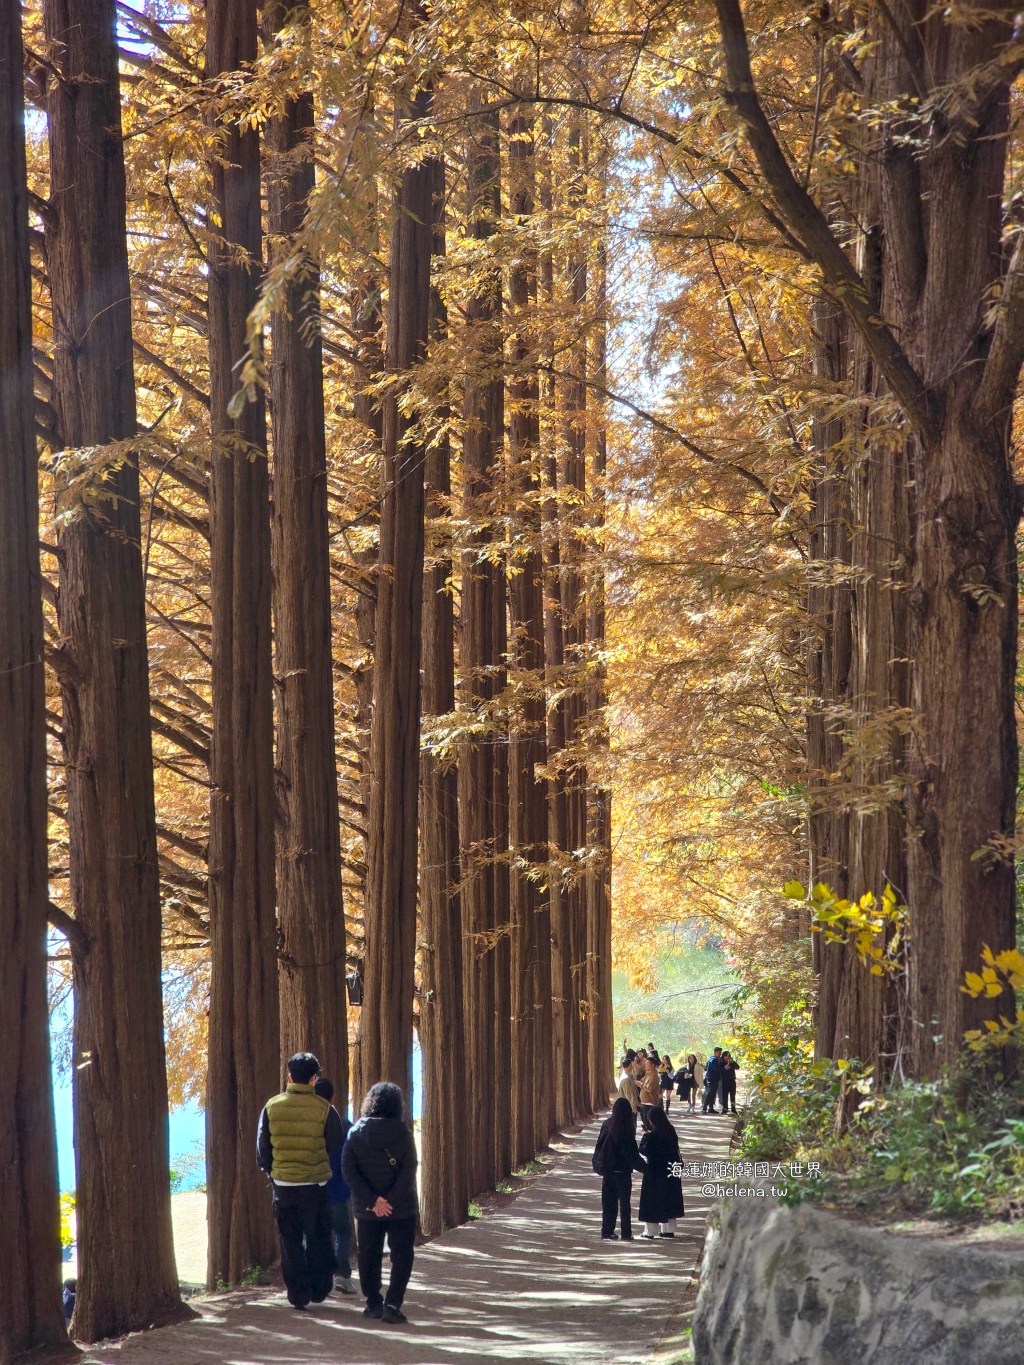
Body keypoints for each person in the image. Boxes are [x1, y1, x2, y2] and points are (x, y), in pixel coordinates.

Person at [257, 1051, 344, 1310]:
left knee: (289, 1240)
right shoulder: (325, 1109)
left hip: (283, 1187)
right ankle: (319, 1287)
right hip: (314, 1186)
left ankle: (298, 1293)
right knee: (318, 1237)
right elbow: (334, 1142)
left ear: (290, 1076)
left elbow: (262, 1149)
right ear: (314, 1078)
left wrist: (273, 1171)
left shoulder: (271, 1106)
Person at [341, 1081, 419, 1325]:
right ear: (397, 1105)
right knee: (402, 1255)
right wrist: (390, 1201)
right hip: (401, 1207)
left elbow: (348, 1170)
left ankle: (373, 1302)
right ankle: (393, 1304)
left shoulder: (355, 1133)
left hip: (367, 1210)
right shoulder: (404, 1133)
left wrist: (373, 1201)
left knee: (369, 1255)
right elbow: (409, 1171)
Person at [313, 1077, 356, 1295]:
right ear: (333, 1097)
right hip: (338, 1190)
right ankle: (342, 1275)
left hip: (313, 1189)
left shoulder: (309, 1124)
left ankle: (316, 1276)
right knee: (342, 1232)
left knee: (314, 1233)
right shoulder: (344, 1124)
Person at [592, 1096, 646, 1240]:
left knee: (608, 1203)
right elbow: (632, 1154)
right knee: (624, 1204)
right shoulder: (627, 1128)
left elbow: (599, 1146)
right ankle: (626, 1234)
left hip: (608, 1171)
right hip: (622, 1172)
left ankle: (607, 1231)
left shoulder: (607, 1124)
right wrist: (646, 1168)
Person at [638, 1105, 685, 1238]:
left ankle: (650, 1232)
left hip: (655, 1172)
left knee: (652, 1201)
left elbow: (643, 1150)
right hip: (671, 1171)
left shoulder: (653, 1136)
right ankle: (668, 1230)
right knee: (670, 1199)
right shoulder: (670, 1130)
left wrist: (645, 1136)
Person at [638, 1053, 661, 1130]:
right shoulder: (647, 1074)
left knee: (650, 1125)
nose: (645, 1065)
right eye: (645, 1063)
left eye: (647, 1064)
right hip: (644, 1103)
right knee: (645, 1124)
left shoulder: (654, 1076)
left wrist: (640, 1084)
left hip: (650, 1104)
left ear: (653, 1065)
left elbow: (649, 1088)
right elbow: (642, 1081)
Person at [617, 1053, 641, 1125]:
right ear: (629, 1066)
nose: (633, 1066)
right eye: (631, 1064)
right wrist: (633, 1107)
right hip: (627, 1108)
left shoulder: (629, 1076)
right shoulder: (626, 1079)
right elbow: (629, 1094)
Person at [701, 1047, 724, 1113]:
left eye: (720, 1053)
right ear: (715, 1052)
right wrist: (724, 1068)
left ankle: (711, 1108)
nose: (720, 1054)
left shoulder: (711, 1059)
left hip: (713, 1078)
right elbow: (716, 1069)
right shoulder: (713, 1060)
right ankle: (704, 1108)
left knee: (713, 1093)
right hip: (712, 1079)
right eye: (719, 1053)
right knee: (710, 1093)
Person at [720, 1050, 740, 1115]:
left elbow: (737, 1067)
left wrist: (732, 1062)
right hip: (725, 1081)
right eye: (726, 1056)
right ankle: (725, 1109)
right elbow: (720, 1070)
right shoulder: (721, 1063)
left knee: (732, 1095)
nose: (727, 1057)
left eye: (728, 1056)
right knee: (724, 1096)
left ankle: (733, 1109)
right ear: (723, 1057)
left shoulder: (732, 1062)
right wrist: (724, 1068)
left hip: (732, 1081)